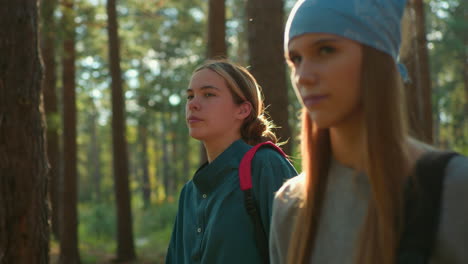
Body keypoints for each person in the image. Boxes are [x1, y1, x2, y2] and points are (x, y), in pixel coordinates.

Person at [269, 1, 468, 264]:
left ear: (378, 58)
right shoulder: (290, 204)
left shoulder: (453, 188)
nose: (302, 76)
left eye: (326, 50)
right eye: (296, 59)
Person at [165, 60, 298, 264]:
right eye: (190, 96)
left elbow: (298, 252)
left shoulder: (265, 165)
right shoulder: (189, 193)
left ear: (243, 110)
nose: (192, 104)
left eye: (208, 94)